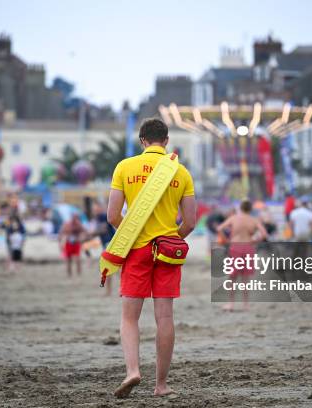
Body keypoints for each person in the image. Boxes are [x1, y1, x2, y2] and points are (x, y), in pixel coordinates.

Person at [107, 118, 196, 398]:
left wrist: (132, 235)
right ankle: (161, 385)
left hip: (137, 250)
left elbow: (112, 216)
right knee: (165, 317)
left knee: (130, 317)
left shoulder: (125, 167)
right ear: (166, 140)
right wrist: (173, 238)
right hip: (167, 251)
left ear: (142, 141)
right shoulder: (180, 172)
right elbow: (191, 222)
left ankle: (133, 370)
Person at [216, 199, 267, 311]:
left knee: (232, 277)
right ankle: (246, 305)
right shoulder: (254, 220)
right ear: (250, 209)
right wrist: (254, 241)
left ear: (241, 208)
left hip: (235, 247)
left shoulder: (234, 218)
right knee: (245, 278)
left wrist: (226, 240)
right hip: (249, 247)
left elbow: (219, 228)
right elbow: (264, 234)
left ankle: (231, 304)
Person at [94, 202, 117, 295]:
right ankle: (109, 291)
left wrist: (90, 234)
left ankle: (109, 291)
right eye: (94, 208)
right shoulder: (99, 217)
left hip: (109, 244)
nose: (94, 210)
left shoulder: (103, 216)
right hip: (108, 244)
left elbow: (103, 229)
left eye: (96, 208)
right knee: (109, 268)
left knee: (108, 268)